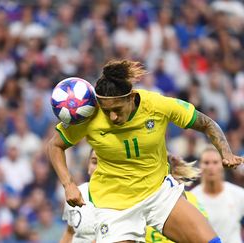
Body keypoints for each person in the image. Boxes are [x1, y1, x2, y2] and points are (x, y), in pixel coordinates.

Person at [47, 60, 243, 243]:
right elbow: (54, 146)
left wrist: (225, 152)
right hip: (114, 206)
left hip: (158, 194)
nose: (112, 116)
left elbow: (207, 123)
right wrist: (68, 184)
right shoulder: (88, 115)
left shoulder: (158, 106)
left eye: (117, 109)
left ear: (131, 97)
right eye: (106, 111)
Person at [60, 150, 207, 243]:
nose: (98, 168)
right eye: (94, 162)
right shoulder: (76, 194)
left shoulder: (133, 199)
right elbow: (69, 232)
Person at [191, 146, 244, 243]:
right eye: (206, 163)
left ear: (222, 165)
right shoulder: (191, 199)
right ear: (200, 166)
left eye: (215, 162)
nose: (211, 167)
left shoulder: (239, 195)